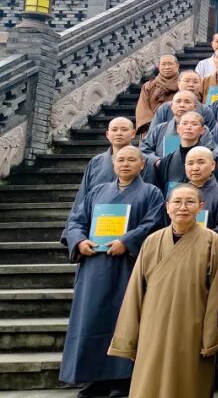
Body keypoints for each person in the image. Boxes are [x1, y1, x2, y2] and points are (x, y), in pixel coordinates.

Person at [107, 183, 218, 398]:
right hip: (152, 327)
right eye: (177, 202)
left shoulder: (212, 241)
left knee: (188, 384)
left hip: (192, 327)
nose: (183, 207)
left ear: (200, 206)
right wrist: (130, 338)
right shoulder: (152, 241)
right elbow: (136, 291)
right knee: (149, 384)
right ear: (167, 207)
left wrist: (211, 337)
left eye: (190, 202)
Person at [59, 146, 164, 398]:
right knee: (91, 319)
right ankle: (94, 377)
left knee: (124, 318)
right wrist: (79, 241)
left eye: (131, 160)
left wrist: (126, 242)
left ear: (142, 165)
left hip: (128, 265)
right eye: (120, 160)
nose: (125, 164)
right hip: (94, 264)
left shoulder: (152, 193)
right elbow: (76, 220)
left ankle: (123, 378)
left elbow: (153, 223)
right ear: (114, 164)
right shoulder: (97, 191)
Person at [74, 118, 152, 211]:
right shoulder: (96, 162)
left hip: (134, 213)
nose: (119, 133)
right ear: (107, 134)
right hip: (99, 215)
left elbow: (150, 195)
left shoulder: (145, 161)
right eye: (114, 130)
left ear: (133, 133)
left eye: (124, 129)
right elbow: (83, 195)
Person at [176, 146, 218, 248]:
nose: (195, 168)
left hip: (209, 248)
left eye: (201, 162)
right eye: (190, 163)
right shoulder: (178, 192)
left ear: (213, 165)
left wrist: (198, 242)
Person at [141, 101, 214, 166]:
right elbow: (144, 149)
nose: (182, 105)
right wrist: (155, 160)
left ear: (195, 107)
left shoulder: (204, 130)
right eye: (184, 123)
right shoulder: (160, 129)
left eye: (187, 102)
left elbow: (209, 151)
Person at [153, 111, 212, 189]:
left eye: (194, 124)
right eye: (184, 123)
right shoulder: (166, 161)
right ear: (178, 128)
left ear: (202, 130)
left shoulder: (211, 158)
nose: (188, 127)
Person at [150, 71, 215, 128]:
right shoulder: (165, 108)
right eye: (187, 81)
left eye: (195, 82)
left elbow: (210, 134)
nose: (191, 85)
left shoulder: (206, 111)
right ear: (178, 83)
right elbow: (153, 133)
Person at [135, 54, 179, 132]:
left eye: (170, 64)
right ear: (158, 66)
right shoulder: (148, 86)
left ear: (177, 66)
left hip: (178, 128)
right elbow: (143, 108)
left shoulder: (184, 84)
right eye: (163, 64)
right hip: (153, 128)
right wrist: (153, 126)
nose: (167, 67)